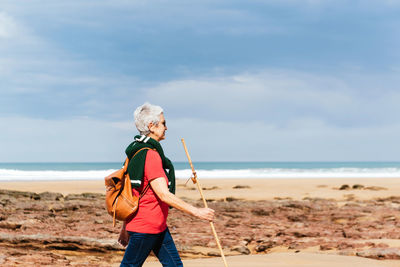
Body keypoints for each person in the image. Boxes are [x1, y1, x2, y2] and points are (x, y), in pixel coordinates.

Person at [119, 102, 215, 267]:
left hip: (157, 226)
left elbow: (131, 194)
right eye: (163, 123)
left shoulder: (135, 152)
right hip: (146, 227)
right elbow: (163, 194)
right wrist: (197, 212)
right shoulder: (150, 155)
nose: (166, 127)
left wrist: (125, 227)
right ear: (152, 126)